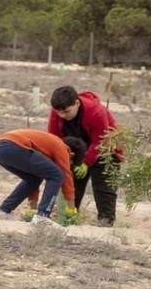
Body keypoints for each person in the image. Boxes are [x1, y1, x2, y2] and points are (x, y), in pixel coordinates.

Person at [47, 85, 120, 227]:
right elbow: (53, 137)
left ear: (77, 103)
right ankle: (69, 217)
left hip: (106, 149)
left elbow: (101, 140)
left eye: (67, 112)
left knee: (103, 186)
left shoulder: (96, 111)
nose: (62, 116)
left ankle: (106, 222)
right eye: (59, 112)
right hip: (76, 149)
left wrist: (86, 162)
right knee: (71, 183)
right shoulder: (58, 111)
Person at [0, 127, 73, 226]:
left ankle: (3, 210)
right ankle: (43, 216)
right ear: (72, 154)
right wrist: (72, 210)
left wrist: (33, 209)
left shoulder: (46, 147)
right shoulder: (62, 148)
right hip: (13, 146)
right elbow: (66, 176)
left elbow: (34, 178)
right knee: (57, 174)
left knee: (33, 178)